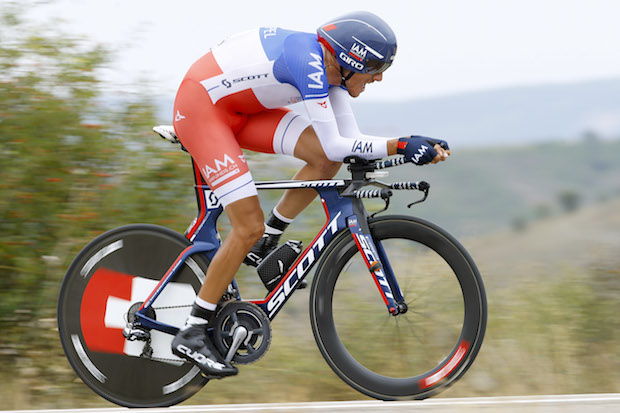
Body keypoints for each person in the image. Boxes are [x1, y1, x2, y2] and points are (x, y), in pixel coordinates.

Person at [170, 11, 451, 377]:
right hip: (202, 110)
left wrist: (414, 143)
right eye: (376, 67)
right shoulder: (310, 63)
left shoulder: (333, 72)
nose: (379, 77)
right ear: (353, 59)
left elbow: (343, 147)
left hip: (239, 111)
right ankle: (191, 331)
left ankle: (267, 241)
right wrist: (400, 144)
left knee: (321, 160)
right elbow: (339, 143)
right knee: (246, 225)